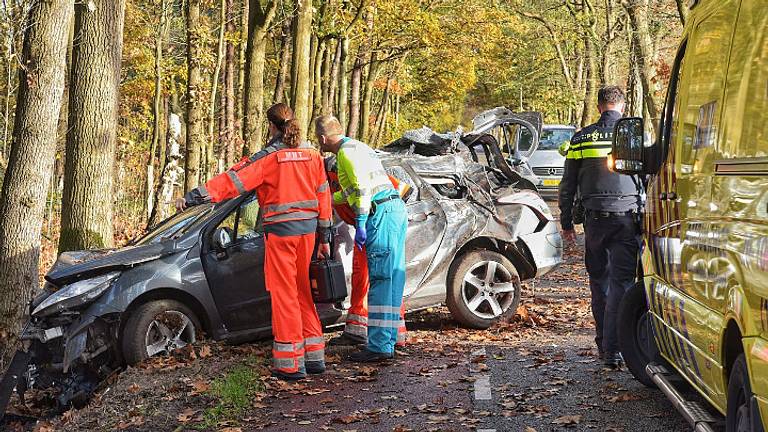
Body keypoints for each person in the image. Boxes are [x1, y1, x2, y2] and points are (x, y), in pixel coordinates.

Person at [176, 103, 332, 381]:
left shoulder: (268, 159)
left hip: (281, 235)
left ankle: (290, 364)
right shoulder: (312, 155)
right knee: (302, 292)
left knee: (284, 295)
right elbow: (323, 197)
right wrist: (325, 236)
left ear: (272, 126)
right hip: (308, 234)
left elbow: (231, 182)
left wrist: (193, 196)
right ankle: (314, 357)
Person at [558, 86, 643, 369]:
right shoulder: (632, 136)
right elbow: (648, 178)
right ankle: (612, 350)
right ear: (622, 105)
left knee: (599, 284)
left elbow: (568, 184)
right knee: (621, 283)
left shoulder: (581, 138)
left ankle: (602, 343)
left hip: (595, 221)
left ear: (598, 107)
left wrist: (567, 222)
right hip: (626, 219)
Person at [314, 115, 407, 363]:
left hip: (379, 214)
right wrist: (330, 200)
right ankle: (387, 341)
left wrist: (363, 223)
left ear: (323, 139)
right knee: (393, 277)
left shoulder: (344, 155)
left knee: (379, 279)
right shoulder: (360, 147)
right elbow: (352, 191)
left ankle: (378, 346)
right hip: (394, 209)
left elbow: (361, 190)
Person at [324, 155, 409, 348]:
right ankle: (380, 332)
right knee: (379, 279)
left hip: (376, 225)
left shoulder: (348, 171)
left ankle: (374, 335)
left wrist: (376, 212)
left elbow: (401, 188)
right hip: (371, 224)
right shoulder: (336, 176)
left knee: (374, 279)